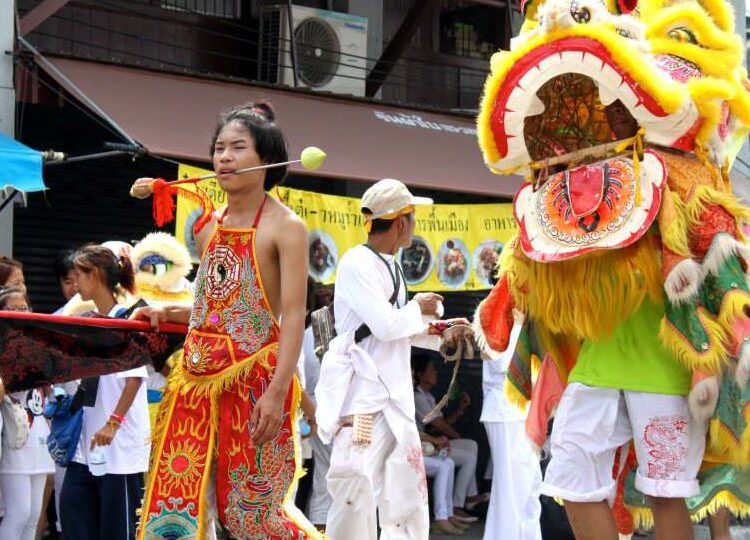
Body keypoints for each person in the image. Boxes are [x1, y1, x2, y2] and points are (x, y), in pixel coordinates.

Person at [130, 102, 319, 539]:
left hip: (253, 380)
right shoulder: (209, 223)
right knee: (175, 507)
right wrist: (168, 312)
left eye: (238, 148)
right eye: (218, 149)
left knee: (252, 514)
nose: (224, 158)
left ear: (268, 159)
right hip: (193, 379)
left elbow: (293, 316)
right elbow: (214, 303)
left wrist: (276, 394)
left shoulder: (285, 227)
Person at [315, 178, 471, 540]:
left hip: (394, 398)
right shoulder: (357, 262)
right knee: (356, 488)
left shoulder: (392, 266)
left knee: (405, 491)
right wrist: (419, 307)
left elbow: (398, 328)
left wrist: (442, 329)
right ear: (401, 222)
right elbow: (386, 327)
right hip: (364, 401)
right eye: (412, 218)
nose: (413, 226)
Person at [59, 244, 150, 540]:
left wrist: (113, 423)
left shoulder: (129, 319)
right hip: (86, 444)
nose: (75, 284)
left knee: (117, 530)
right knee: (75, 519)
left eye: (79, 276)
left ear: (95, 275)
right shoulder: (87, 319)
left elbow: (134, 378)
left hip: (119, 447)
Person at [0, 287, 55, 540]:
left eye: (25, 308)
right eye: (14, 309)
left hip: (40, 439)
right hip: (15, 440)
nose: (22, 314)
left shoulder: (38, 345)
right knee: (18, 513)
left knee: (34, 516)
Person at [480, 322, 542, 540]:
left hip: (524, 412)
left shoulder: (526, 320)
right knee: (510, 490)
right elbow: (501, 364)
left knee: (530, 488)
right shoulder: (497, 313)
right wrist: (517, 325)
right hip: (505, 411)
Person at [412, 355, 486, 521]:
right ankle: (459, 505)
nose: (436, 372)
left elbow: (443, 422)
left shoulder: (428, 396)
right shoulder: (418, 397)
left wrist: (460, 409)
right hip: (427, 445)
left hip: (433, 442)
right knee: (468, 457)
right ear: (420, 374)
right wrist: (453, 435)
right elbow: (439, 425)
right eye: (431, 369)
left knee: (471, 445)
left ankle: (470, 496)